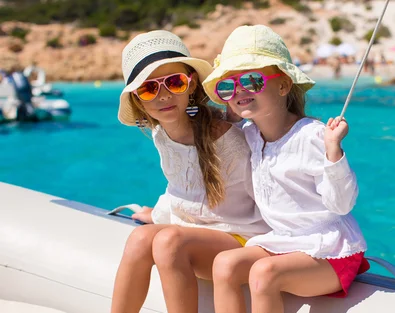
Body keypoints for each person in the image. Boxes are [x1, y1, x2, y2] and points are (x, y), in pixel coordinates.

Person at [202, 25, 369, 313]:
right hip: (283, 242)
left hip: (331, 250)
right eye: (228, 86)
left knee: (263, 273)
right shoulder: (252, 134)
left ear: (283, 85)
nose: (240, 90)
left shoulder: (312, 136)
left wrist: (333, 151)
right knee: (225, 263)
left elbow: (341, 204)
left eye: (252, 80)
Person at [111, 30, 270, 313]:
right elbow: (180, 189)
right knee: (139, 239)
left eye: (174, 82)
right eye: (150, 88)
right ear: (138, 99)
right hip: (198, 236)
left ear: (192, 84)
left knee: (169, 242)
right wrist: (160, 213)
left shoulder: (227, 141)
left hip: (243, 239)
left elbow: (260, 201)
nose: (164, 96)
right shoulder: (161, 135)